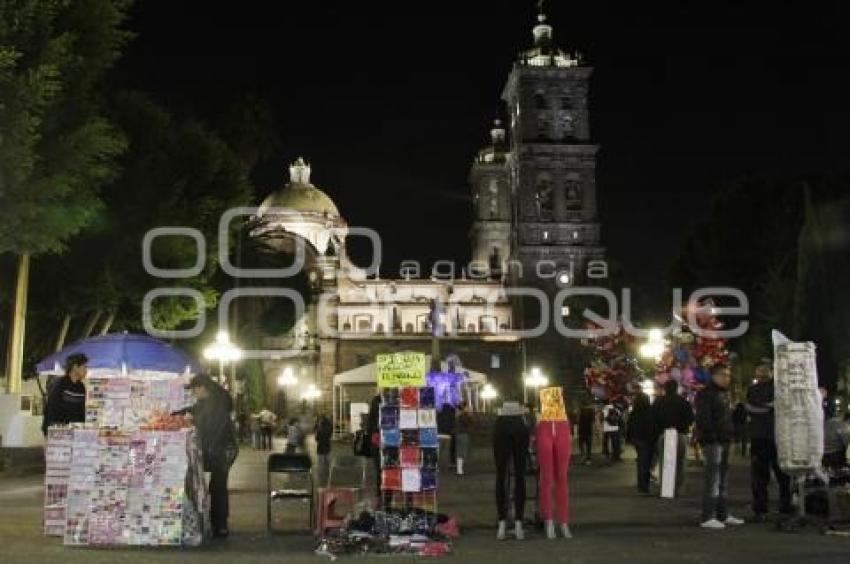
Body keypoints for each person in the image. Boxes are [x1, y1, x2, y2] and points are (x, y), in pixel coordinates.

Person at [185, 373, 238, 538]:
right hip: (215, 448)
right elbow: (196, 410)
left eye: (194, 390)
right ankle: (216, 523)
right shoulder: (208, 400)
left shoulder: (218, 402)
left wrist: (193, 420)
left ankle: (220, 525)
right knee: (216, 485)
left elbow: (210, 425)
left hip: (222, 449)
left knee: (218, 486)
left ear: (202, 388)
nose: (193, 394)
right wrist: (179, 414)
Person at [695, 365, 744, 529]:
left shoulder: (724, 394)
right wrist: (712, 436)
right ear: (713, 376)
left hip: (725, 439)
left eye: (728, 375)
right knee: (713, 478)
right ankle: (708, 516)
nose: (727, 378)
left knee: (723, 479)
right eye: (723, 375)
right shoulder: (705, 394)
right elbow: (704, 418)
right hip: (713, 441)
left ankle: (723, 514)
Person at [746, 362, 792, 521]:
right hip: (759, 437)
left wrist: (764, 407)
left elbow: (780, 405)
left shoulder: (779, 387)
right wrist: (769, 407)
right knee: (759, 476)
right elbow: (750, 407)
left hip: (778, 436)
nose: (762, 373)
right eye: (759, 370)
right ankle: (760, 509)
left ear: (772, 372)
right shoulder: (752, 389)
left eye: (766, 370)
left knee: (783, 474)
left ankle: (785, 507)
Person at [652, 379, 695, 498]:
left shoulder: (659, 402)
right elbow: (691, 418)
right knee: (680, 464)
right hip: (680, 434)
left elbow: (653, 418)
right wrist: (682, 426)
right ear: (676, 388)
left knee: (665, 463)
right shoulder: (683, 402)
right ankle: (678, 489)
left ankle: (666, 490)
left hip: (664, 433)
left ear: (665, 388)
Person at [42, 353, 89, 434]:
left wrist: (82, 429)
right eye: (84, 367)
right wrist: (49, 432)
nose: (86, 371)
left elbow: (81, 411)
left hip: (75, 433)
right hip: (58, 432)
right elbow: (50, 410)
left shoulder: (81, 387)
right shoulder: (60, 384)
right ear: (75, 367)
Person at [626, 392, 656, 494]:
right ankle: (644, 486)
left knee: (641, 461)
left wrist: (629, 438)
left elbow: (629, 426)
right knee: (645, 463)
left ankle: (642, 484)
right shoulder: (650, 412)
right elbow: (653, 427)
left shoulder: (634, 413)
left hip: (637, 439)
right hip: (647, 440)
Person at [822, 397, 850, 470]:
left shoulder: (827, 422)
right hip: (835, 456)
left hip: (823, 456)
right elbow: (847, 442)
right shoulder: (841, 424)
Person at [314, 413, 333, 486]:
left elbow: (316, 439)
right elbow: (330, 435)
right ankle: (328, 473)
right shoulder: (329, 427)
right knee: (327, 461)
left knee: (321, 462)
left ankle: (321, 476)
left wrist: (318, 431)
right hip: (327, 446)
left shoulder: (320, 429)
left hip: (320, 447)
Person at [455, 401, 473, 475]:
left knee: (460, 451)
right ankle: (460, 469)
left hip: (459, 433)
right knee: (462, 451)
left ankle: (459, 468)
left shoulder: (457, 415)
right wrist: (469, 415)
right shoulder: (463, 415)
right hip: (463, 433)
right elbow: (469, 422)